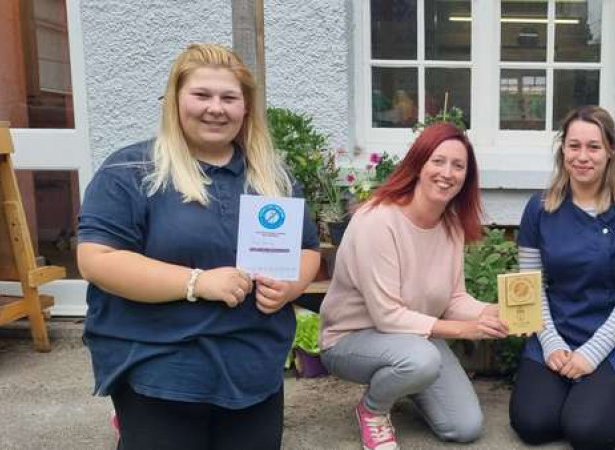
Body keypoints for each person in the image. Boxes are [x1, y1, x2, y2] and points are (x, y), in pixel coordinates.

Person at [76, 43, 320, 450]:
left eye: (229, 98)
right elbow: (97, 260)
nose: (215, 108)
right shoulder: (132, 171)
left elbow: (307, 249)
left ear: (246, 109)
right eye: (201, 95)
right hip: (162, 365)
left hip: (252, 364)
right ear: (175, 100)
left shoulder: (271, 176)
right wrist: (197, 282)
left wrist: (290, 286)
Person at [319, 123, 509, 450]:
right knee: (421, 361)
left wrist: (493, 312)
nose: (447, 173)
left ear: (467, 177)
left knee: (464, 427)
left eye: (458, 166)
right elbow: (387, 316)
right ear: (418, 164)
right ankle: (373, 410)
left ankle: (404, 382)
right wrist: (465, 329)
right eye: (438, 161)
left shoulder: (450, 225)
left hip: (414, 339)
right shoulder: (378, 221)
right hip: (350, 339)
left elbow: (454, 298)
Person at [508, 105, 615, 450]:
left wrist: (591, 354)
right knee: (534, 424)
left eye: (593, 147)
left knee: (587, 432)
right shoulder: (539, 208)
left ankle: (602, 393)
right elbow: (528, 286)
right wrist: (552, 343)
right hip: (557, 332)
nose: (583, 156)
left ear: (610, 151)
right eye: (574, 146)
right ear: (563, 149)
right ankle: (576, 390)